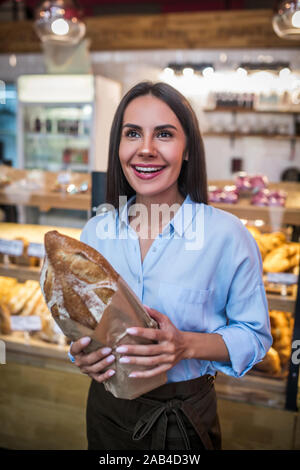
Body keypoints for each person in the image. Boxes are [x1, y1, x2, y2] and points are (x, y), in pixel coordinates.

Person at [69, 81, 273, 451]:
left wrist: (185, 345)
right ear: (118, 147)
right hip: (105, 411)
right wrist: (83, 353)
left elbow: (256, 338)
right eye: (132, 134)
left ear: (188, 148)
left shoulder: (226, 235)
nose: (145, 149)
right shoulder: (96, 231)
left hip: (182, 418)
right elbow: (84, 323)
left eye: (164, 134)